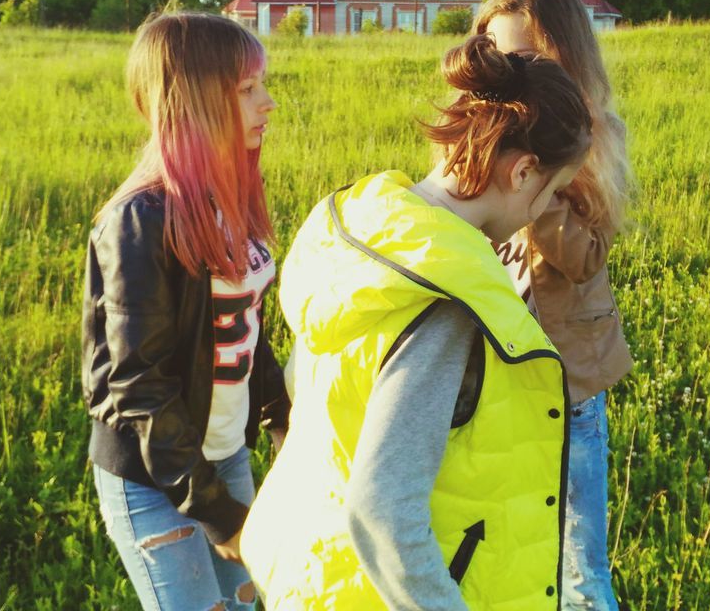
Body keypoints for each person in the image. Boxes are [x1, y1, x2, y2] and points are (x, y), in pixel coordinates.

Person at [241, 34, 592, 609]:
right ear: (524, 171)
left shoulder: (368, 234)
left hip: (312, 570)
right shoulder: (446, 296)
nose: (540, 214)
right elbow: (383, 512)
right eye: (551, 192)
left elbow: (303, 389)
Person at [81, 12, 291, 611]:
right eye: (248, 89)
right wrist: (219, 514)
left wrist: (282, 418)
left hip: (224, 457)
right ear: (195, 102)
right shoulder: (139, 222)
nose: (268, 103)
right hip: (156, 477)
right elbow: (137, 386)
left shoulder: (226, 204)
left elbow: (242, 328)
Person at [475, 0, 635, 610]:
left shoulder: (595, 134)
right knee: (505, 550)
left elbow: (586, 255)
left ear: (565, 57)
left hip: (565, 379)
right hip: (493, 373)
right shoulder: (486, 127)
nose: (515, 75)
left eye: (528, 58)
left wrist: (534, 189)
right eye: (500, 59)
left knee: (577, 564)